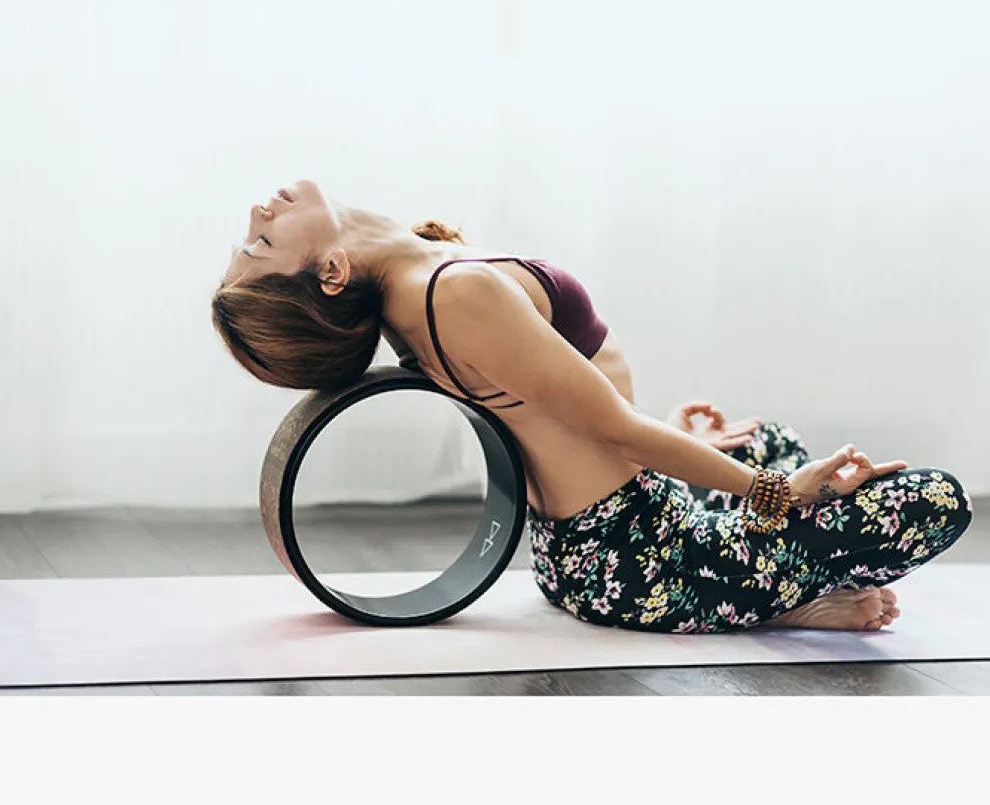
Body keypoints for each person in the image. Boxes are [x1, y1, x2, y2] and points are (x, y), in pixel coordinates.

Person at [213, 178, 973, 634]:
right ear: (332, 274)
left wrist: (674, 446)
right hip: (640, 563)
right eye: (260, 244)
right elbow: (611, 428)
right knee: (933, 500)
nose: (258, 214)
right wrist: (780, 493)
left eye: (251, 238)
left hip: (605, 541)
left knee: (765, 437)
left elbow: (553, 415)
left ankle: (761, 588)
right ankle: (770, 600)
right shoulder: (451, 293)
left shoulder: (419, 284)